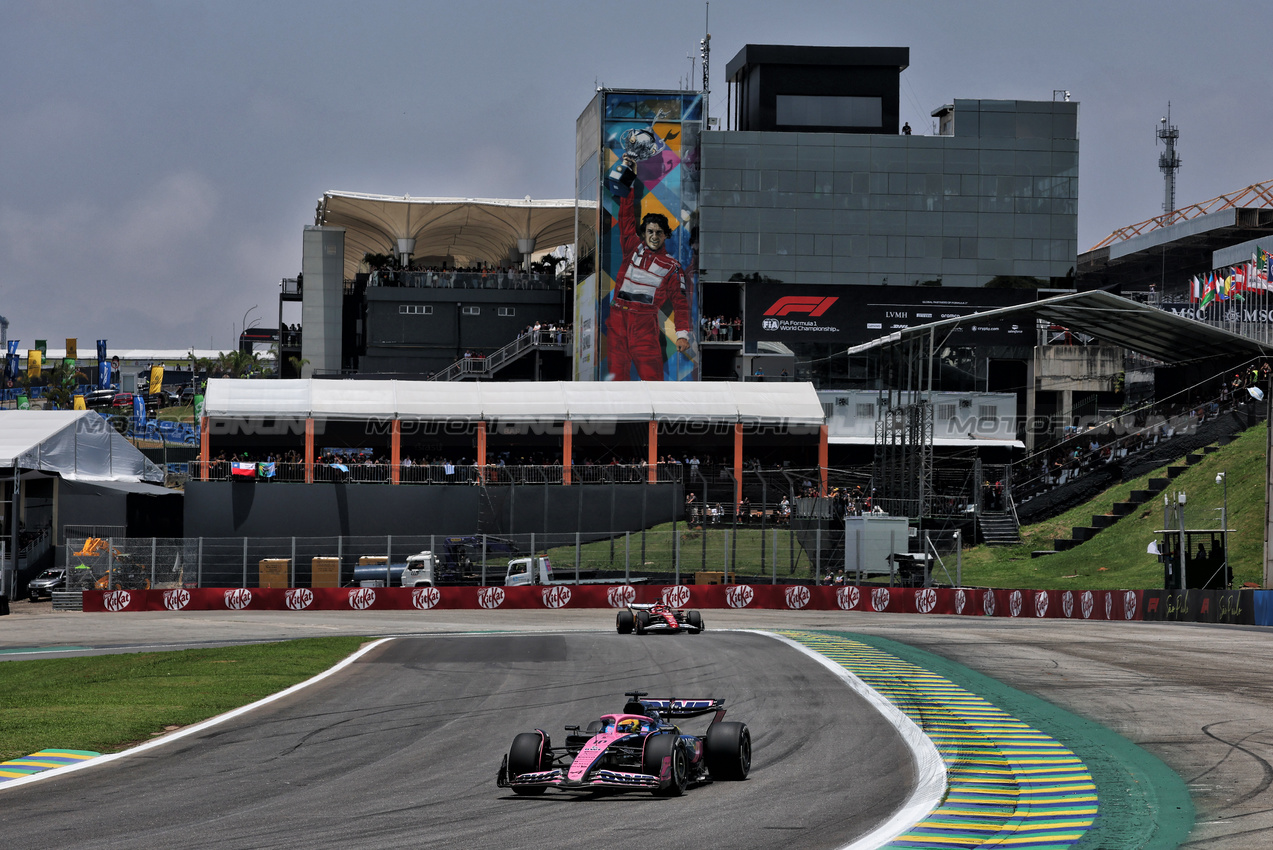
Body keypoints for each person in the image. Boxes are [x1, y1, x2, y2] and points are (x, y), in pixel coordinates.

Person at [605, 153, 692, 380]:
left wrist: (682, 335)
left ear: (665, 236)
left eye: (659, 233)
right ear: (644, 233)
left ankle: (656, 416)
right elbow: (626, 216)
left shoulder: (672, 267)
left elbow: (681, 304)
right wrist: (630, 177)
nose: (654, 236)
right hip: (617, 320)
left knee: (653, 381)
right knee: (616, 379)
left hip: (644, 325)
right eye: (650, 231)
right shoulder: (632, 246)